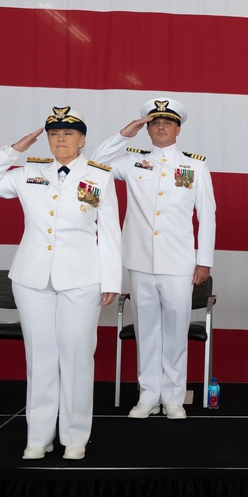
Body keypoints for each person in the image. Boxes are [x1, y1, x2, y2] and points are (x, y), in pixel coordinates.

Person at [0, 106, 122, 460]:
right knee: (39, 358)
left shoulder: (99, 176)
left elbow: (110, 233)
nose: (60, 140)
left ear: (82, 140)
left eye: (68, 134)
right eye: (54, 134)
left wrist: (111, 279)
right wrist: (15, 148)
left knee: (77, 357)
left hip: (82, 277)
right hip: (31, 277)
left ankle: (74, 438)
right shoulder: (29, 171)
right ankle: (38, 436)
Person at [90, 97, 216, 420]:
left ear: (178, 129)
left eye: (168, 123)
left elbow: (208, 215)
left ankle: (173, 397)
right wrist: (123, 134)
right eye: (155, 123)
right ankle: (147, 395)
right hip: (140, 260)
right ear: (147, 129)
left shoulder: (195, 166)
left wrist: (204, 260)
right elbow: (94, 163)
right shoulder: (131, 162)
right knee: (146, 330)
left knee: (176, 331)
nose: (161, 127)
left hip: (180, 263)